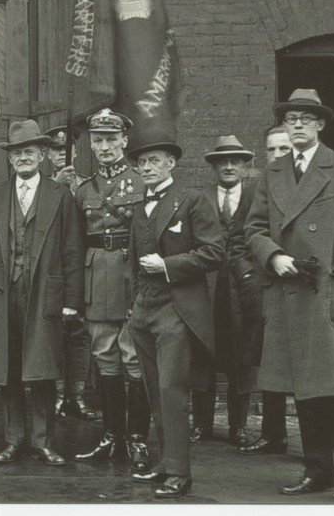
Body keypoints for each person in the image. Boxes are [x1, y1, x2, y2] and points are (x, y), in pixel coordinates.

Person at [244, 89, 334, 504]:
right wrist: (274, 256)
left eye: (306, 118)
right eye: (291, 119)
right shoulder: (273, 173)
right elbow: (253, 229)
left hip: (326, 294)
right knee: (303, 390)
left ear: (320, 124)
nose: (298, 124)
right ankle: (318, 472)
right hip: (288, 292)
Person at [0, 120, 83, 466]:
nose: (23, 157)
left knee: (41, 368)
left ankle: (42, 441)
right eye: (17, 152)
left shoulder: (60, 195)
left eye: (29, 151)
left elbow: (72, 251)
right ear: (9, 159)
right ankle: (13, 439)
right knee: (9, 367)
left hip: (44, 293)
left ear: (43, 155)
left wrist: (71, 301)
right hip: (4, 292)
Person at [126, 126, 224, 498]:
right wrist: (133, 304)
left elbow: (215, 253)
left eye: (154, 161)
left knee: (172, 389)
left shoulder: (193, 200)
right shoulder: (139, 208)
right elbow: (133, 264)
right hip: (144, 310)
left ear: (171, 163)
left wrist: (168, 264)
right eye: (142, 162)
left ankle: (180, 472)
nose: (147, 167)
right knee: (154, 389)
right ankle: (166, 462)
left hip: (177, 309)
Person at [72, 110, 151, 474]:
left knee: (133, 357)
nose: (104, 147)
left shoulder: (140, 182)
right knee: (104, 353)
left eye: (110, 139)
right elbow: (74, 242)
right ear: (91, 143)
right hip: (96, 276)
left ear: (124, 141)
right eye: (98, 140)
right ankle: (111, 436)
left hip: (129, 274)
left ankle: (137, 438)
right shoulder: (83, 189)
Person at [190, 135, 262, 448]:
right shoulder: (199, 198)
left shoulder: (257, 198)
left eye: (236, 161)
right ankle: (201, 425)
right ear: (214, 167)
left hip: (243, 288)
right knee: (202, 356)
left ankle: (238, 427)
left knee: (241, 357)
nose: (229, 166)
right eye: (223, 161)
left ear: (245, 166)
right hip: (207, 288)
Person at [238, 123, 293, 457]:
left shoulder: (308, 184)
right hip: (265, 289)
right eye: (271, 150)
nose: (276, 156)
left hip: (302, 288)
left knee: (303, 364)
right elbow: (239, 240)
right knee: (269, 363)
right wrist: (248, 278)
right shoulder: (256, 189)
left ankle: (316, 443)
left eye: (283, 149)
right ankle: (274, 434)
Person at [44, 124, 97, 421]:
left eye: (66, 148)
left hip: (82, 265)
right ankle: (57, 396)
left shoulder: (88, 185)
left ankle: (77, 396)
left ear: (76, 151)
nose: (61, 154)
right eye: (55, 149)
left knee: (80, 334)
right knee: (51, 333)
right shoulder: (40, 184)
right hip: (51, 267)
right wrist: (56, 186)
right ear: (47, 154)